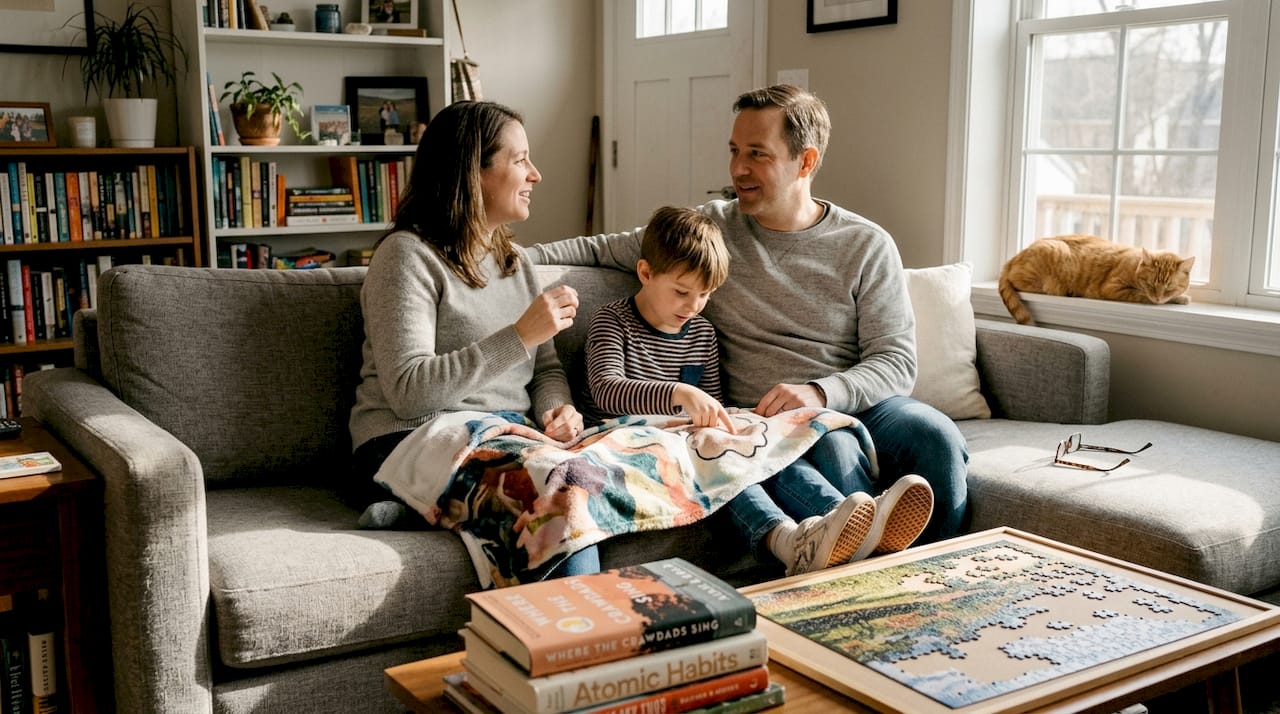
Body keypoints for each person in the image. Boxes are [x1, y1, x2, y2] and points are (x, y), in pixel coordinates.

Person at [530, 84, 967, 548]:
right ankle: (860, 565)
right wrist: (503, 260)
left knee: (934, 435)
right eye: (735, 151)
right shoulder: (711, 231)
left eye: (757, 154)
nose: (738, 168)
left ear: (806, 161)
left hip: (856, 404)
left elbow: (896, 363)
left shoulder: (866, 245)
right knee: (834, 451)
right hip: (762, 421)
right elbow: (596, 249)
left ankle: (936, 572)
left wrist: (820, 392)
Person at [583, 205, 932, 575]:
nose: (694, 306)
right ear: (645, 273)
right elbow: (608, 389)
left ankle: (849, 520)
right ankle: (790, 540)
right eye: (682, 292)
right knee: (719, 464)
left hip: (690, 440)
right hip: (626, 438)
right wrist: (679, 395)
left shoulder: (701, 332)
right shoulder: (613, 320)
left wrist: (734, 425)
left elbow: (716, 405)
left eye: (705, 295)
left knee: (759, 452)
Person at [348, 100, 597, 576]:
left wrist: (554, 410)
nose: (535, 174)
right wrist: (520, 334)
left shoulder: (517, 263)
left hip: (501, 435)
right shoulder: (407, 257)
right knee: (557, 493)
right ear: (473, 171)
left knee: (604, 468)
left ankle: (423, 512)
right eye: (520, 159)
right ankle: (574, 641)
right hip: (406, 439)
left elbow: (544, 369)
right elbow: (409, 392)